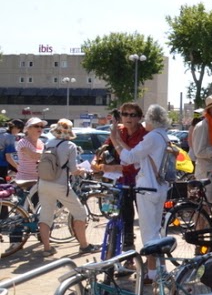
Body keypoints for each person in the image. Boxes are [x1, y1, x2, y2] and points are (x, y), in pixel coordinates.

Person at [110, 104, 174, 283]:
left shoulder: (152, 136)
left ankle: (153, 273)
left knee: (149, 233)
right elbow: (136, 154)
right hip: (159, 187)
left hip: (147, 187)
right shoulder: (162, 135)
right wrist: (119, 139)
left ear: (151, 119)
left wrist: (115, 140)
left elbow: (129, 158)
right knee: (156, 230)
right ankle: (160, 269)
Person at [35, 119, 97, 257]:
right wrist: (83, 170)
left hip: (44, 182)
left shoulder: (48, 143)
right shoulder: (70, 146)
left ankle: (47, 248)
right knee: (80, 213)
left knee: (46, 215)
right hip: (60, 184)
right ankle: (84, 246)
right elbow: (74, 170)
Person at [100, 103, 148, 253]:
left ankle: (151, 256)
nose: (128, 118)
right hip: (121, 183)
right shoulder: (118, 131)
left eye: (132, 115)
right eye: (125, 114)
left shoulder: (145, 134)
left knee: (146, 221)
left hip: (141, 183)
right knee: (124, 219)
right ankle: (127, 254)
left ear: (140, 118)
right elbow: (103, 152)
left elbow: (134, 160)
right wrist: (99, 164)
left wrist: (115, 168)